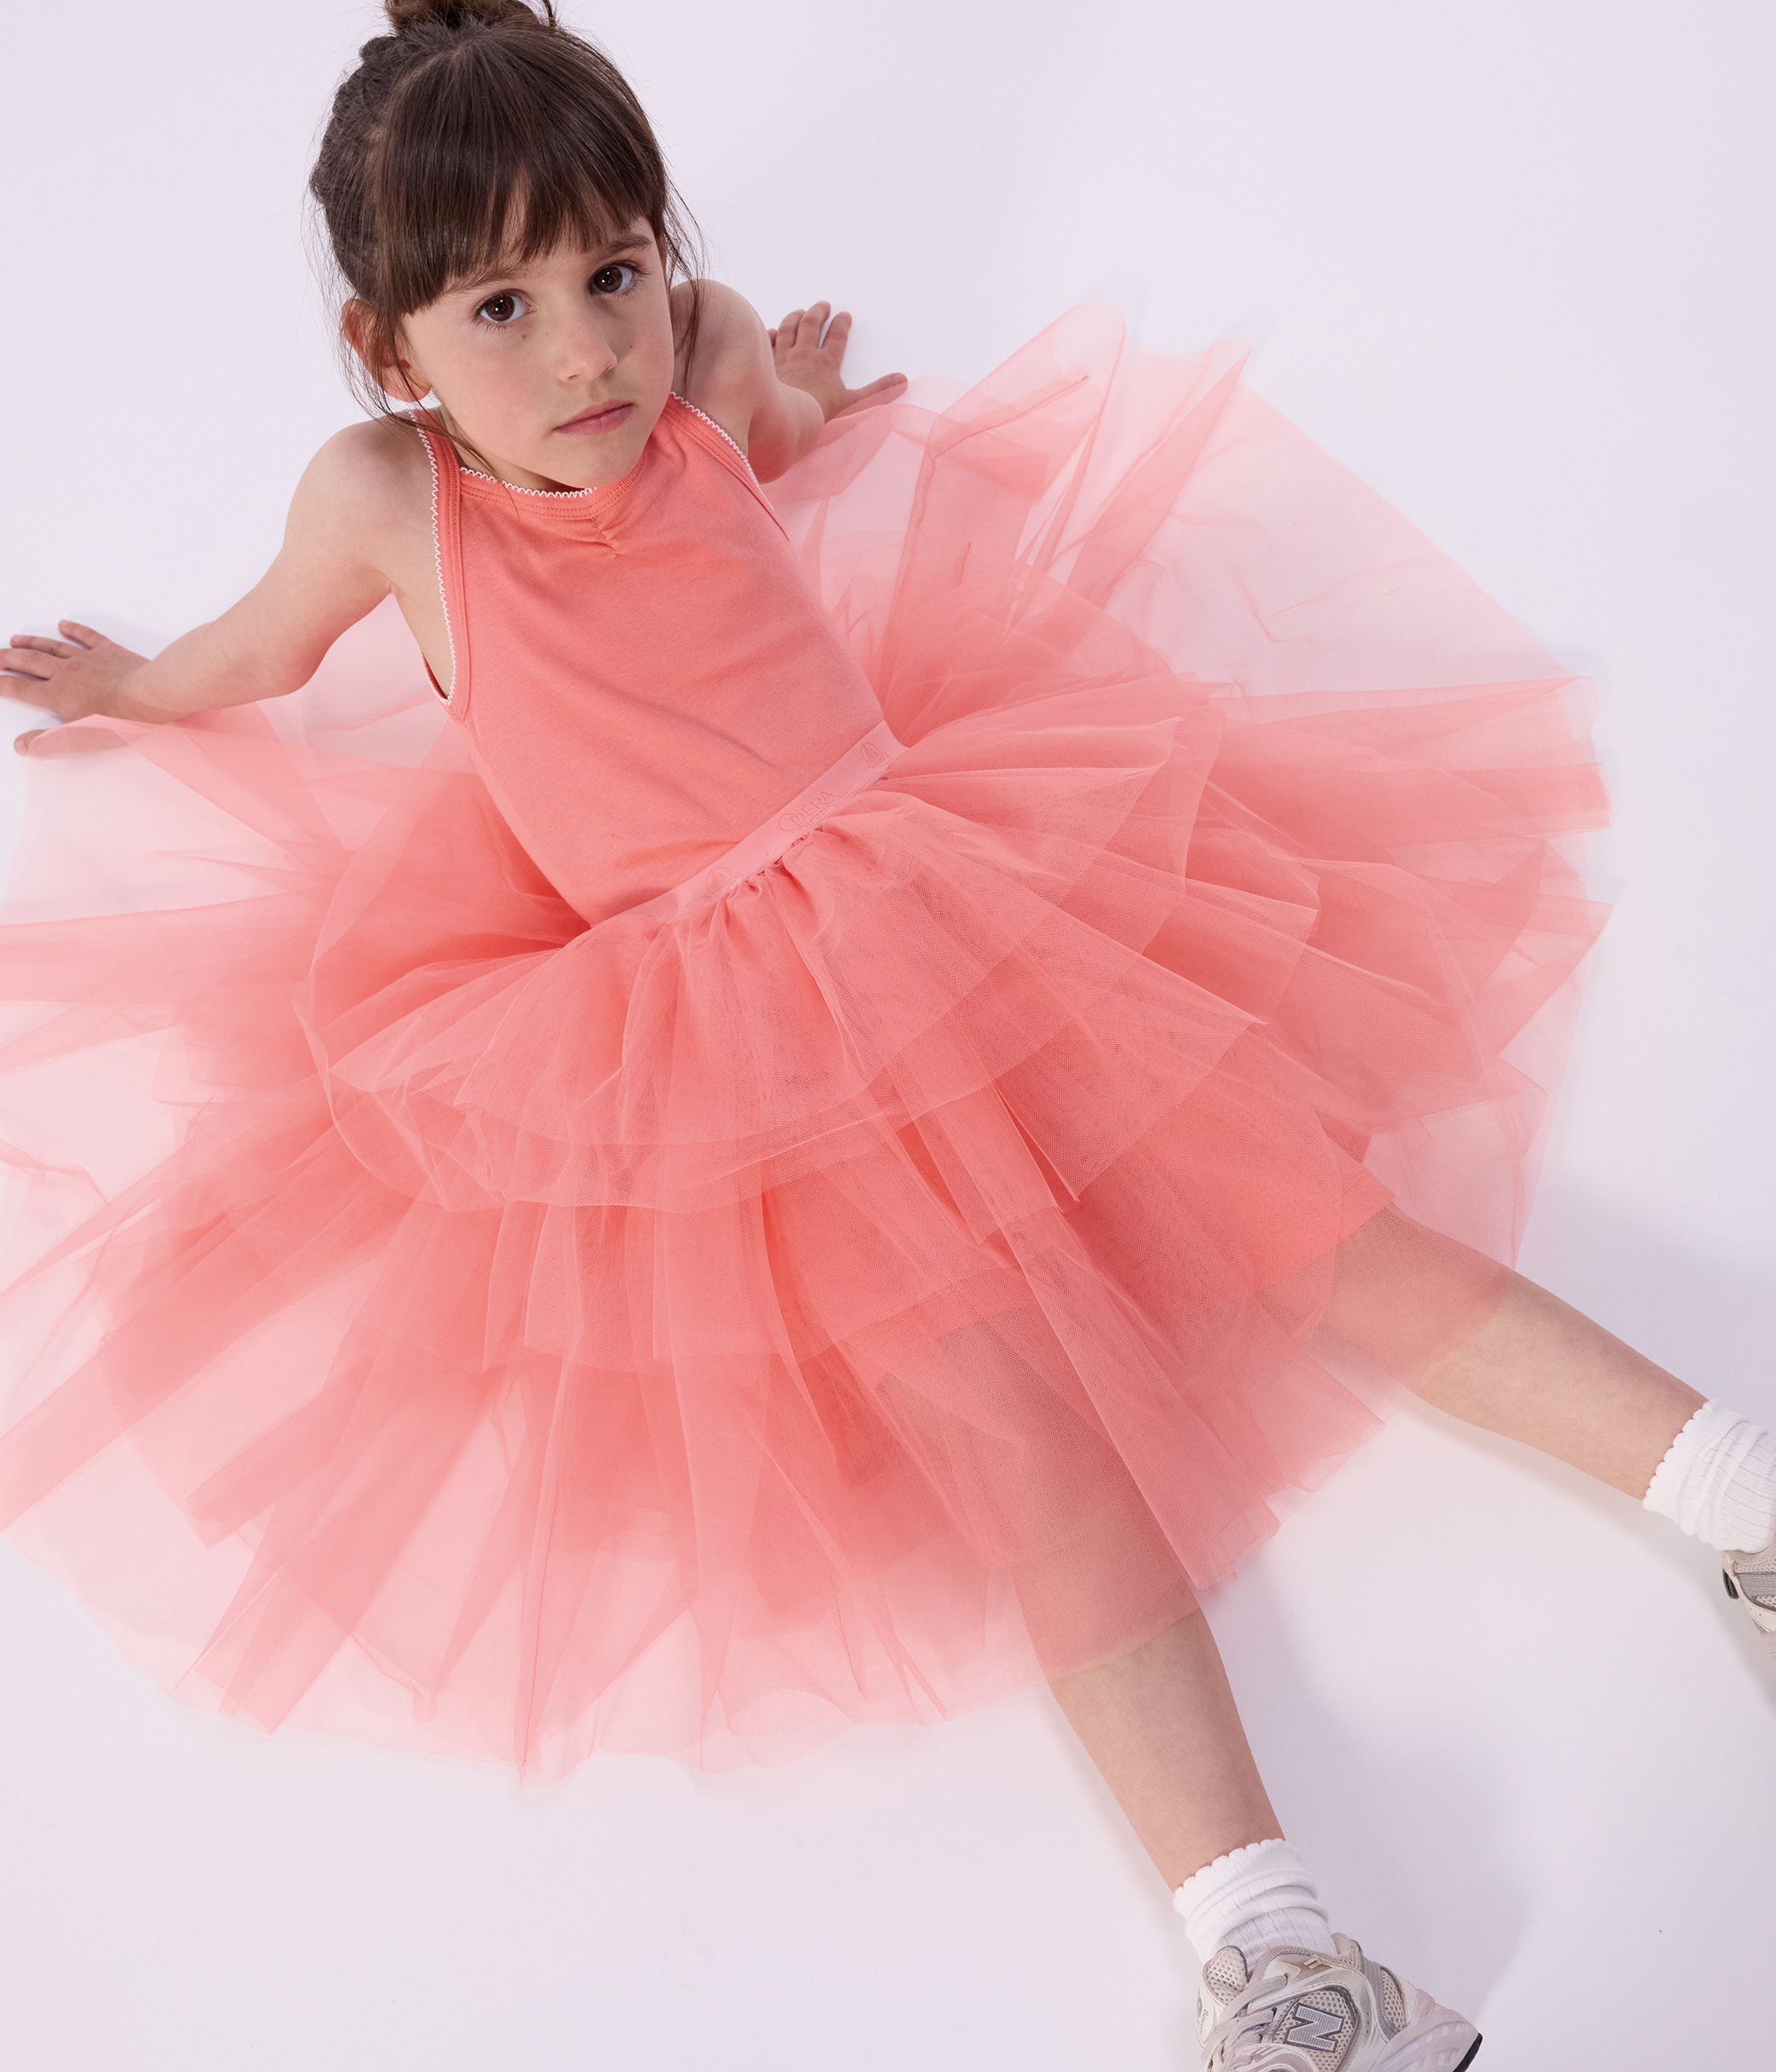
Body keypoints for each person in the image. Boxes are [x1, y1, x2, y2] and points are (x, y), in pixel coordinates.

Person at [0, 3, 1768, 2064]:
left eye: (612, 273)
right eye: (500, 309)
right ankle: (1280, 1955)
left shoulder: (700, 360)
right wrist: (136, 689)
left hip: (958, 902)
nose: (582, 352)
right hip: (721, 1054)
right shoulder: (387, 501)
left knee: (1321, 1238)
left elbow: (760, 434)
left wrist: (805, 399)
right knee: (1031, 1450)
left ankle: (1743, 1502)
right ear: (386, 350)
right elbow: (259, 649)